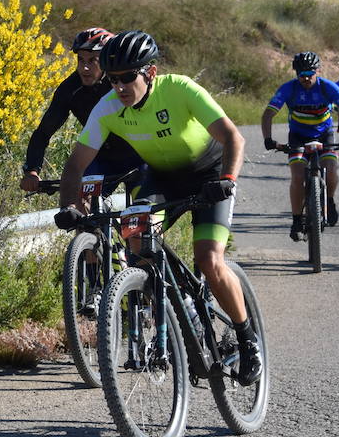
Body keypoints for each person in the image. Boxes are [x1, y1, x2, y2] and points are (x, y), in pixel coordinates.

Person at [54, 30, 261, 385]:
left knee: (210, 260)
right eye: (113, 79)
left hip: (210, 175)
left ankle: (246, 339)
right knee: (137, 244)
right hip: (162, 181)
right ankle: (186, 318)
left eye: (127, 78)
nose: (119, 87)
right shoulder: (108, 108)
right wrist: (69, 208)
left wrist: (227, 178)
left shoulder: (179, 90)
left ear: (149, 73)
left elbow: (232, 136)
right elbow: (75, 166)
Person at [20, 27, 143, 195]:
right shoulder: (70, 89)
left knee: (142, 213)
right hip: (101, 157)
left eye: (93, 60)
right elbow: (43, 133)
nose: (85, 68)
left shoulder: (124, 82)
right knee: (80, 211)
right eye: (81, 60)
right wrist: (32, 171)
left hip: (138, 155)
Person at [259, 51, 339, 240]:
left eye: (309, 75)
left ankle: (329, 201)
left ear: (317, 71)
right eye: (301, 75)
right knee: (298, 176)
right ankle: (297, 220)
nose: (306, 79)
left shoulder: (328, 87)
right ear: (296, 74)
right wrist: (268, 139)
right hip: (298, 135)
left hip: (324, 134)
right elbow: (268, 114)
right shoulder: (289, 89)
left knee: (331, 170)